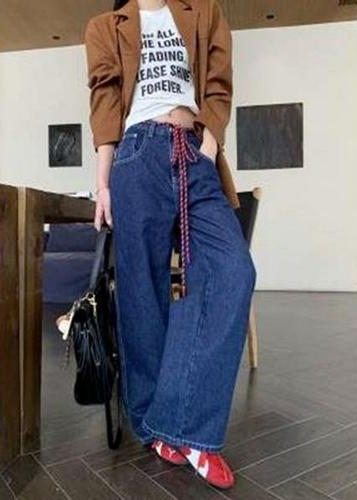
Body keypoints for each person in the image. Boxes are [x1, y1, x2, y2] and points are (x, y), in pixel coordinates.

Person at [84, 0, 256, 489]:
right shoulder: (104, 26)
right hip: (136, 156)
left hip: (192, 150)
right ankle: (155, 425)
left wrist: (209, 145)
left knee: (233, 269)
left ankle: (186, 423)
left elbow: (218, 84)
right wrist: (103, 184)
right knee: (142, 292)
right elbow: (105, 101)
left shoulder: (203, 11)